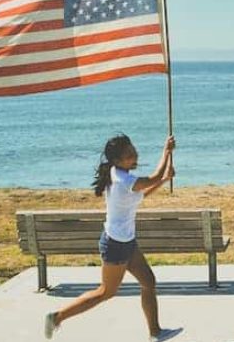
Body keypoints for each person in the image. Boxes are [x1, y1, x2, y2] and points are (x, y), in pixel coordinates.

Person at [44, 134, 182, 342]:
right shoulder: (123, 179)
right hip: (115, 245)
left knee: (148, 282)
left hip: (127, 242)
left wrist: (164, 179)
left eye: (133, 151)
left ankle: (155, 333)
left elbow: (142, 194)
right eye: (129, 155)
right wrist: (166, 151)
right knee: (105, 292)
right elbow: (152, 177)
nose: (134, 156)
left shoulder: (119, 174)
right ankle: (57, 317)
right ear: (117, 161)